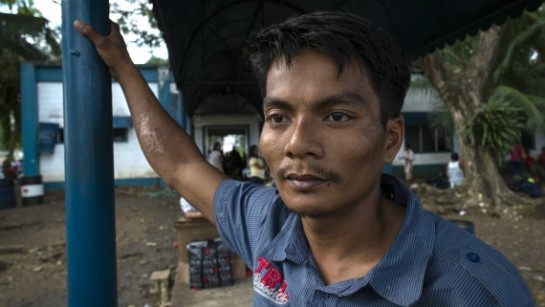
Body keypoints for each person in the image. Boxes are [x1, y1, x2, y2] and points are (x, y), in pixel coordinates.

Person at [74, 11, 533, 306]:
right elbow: (179, 165)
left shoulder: (474, 290)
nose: (298, 143)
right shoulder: (266, 224)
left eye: (335, 116)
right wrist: (124, 67)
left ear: (390, 138)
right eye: (278, 116)